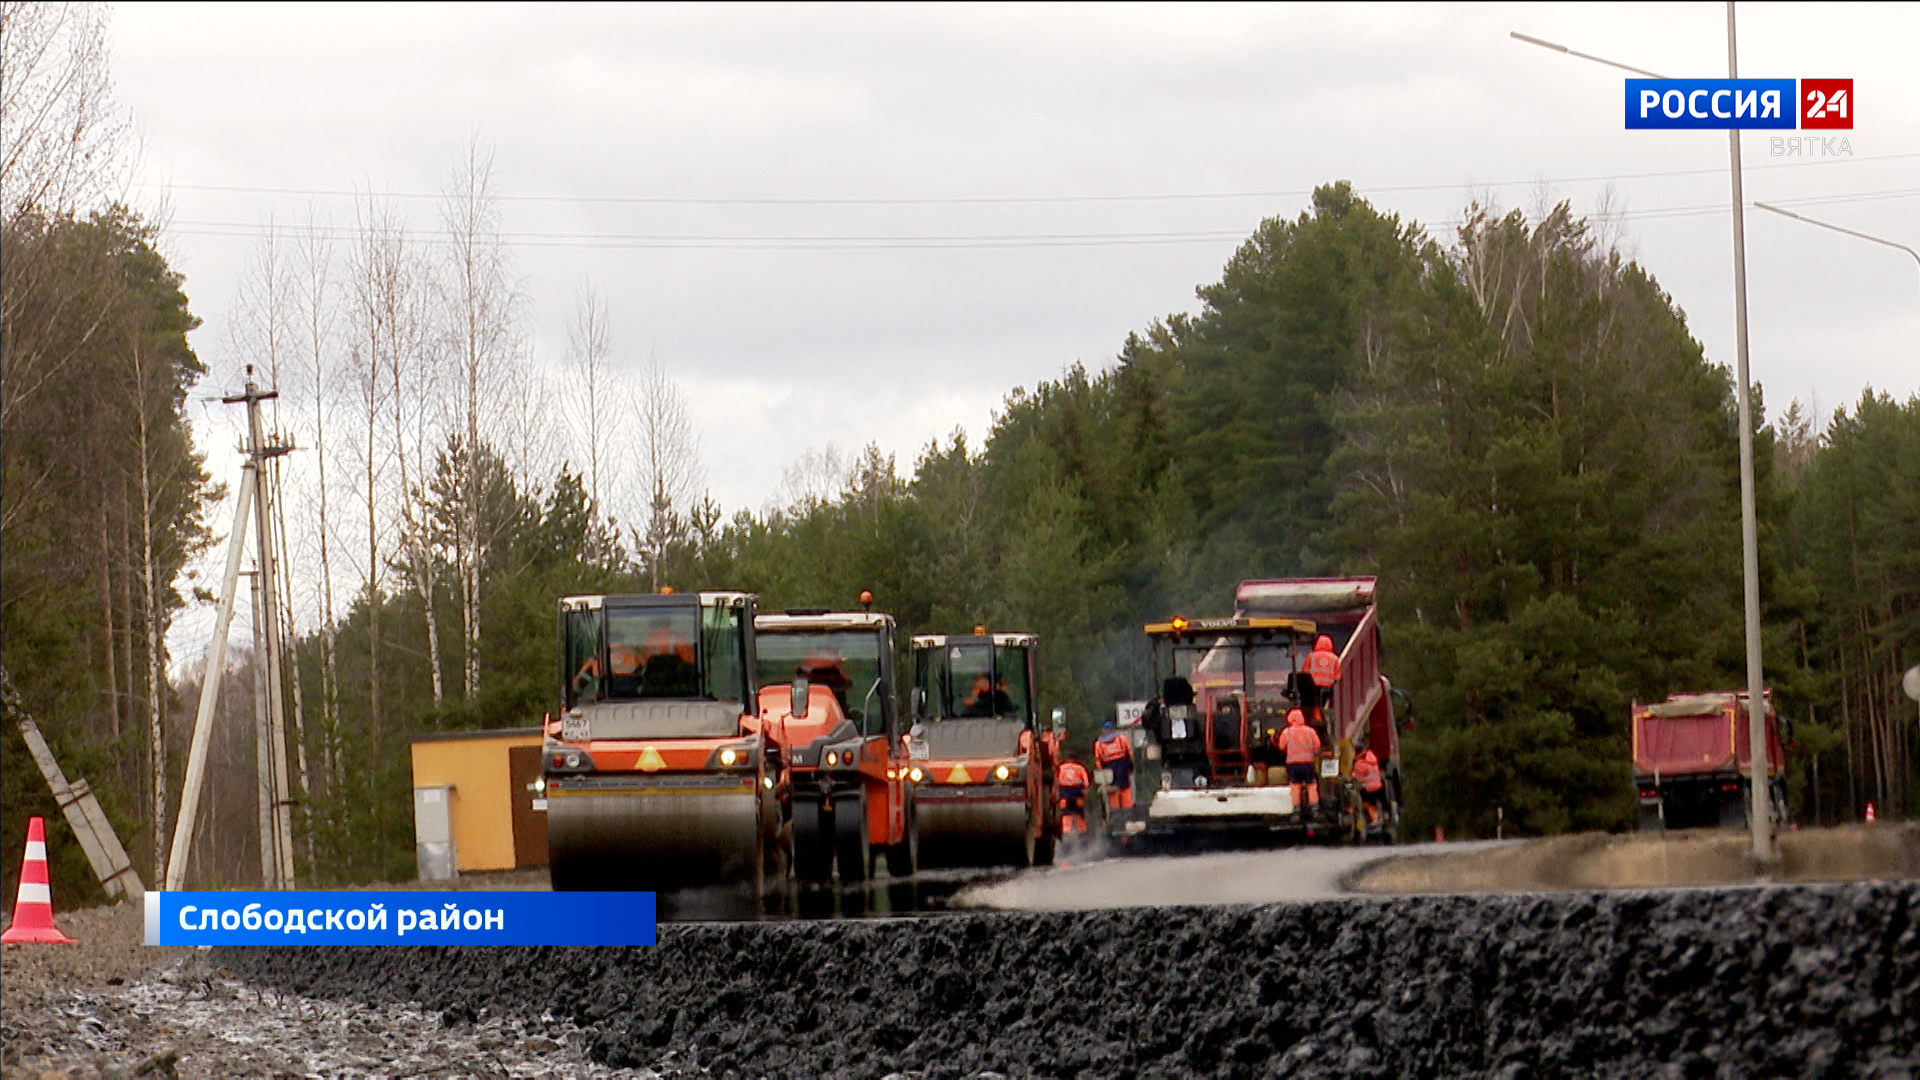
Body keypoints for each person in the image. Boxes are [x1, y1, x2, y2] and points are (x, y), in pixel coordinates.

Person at [1278, 708, 1322, 820]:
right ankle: (1315, 809)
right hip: (1308, 763)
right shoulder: (1310, 731)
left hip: (1293, 765)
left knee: (1295, 787)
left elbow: (1281, 746)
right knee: (1311, 786)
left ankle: (1296, 811)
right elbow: (1317, 746)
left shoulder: (1287, 732)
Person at [1093, 719, 1134, 810]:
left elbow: (1098, 761)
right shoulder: (1121, 738)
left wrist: (1102, 775)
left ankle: (1115, 815)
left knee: (1113, 793)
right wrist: (1130, 766)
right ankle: (1128, 813)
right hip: (1122, 767)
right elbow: (1129, 753)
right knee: (1125, 791)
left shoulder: (1098, 744)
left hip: (1108, 771)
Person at [1303, 635, 1341, 722]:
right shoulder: (1334, 659)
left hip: (1312, 688)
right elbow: (1337, 677)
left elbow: (1305, 671)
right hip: (1327, 689)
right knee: (1323, 706)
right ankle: (1322, 719)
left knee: (1313, 705)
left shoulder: (1311, 656)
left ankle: (1315, 717)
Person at [1057, 757, 1091, 834]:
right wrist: (1085, 792)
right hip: (1077, 793)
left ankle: (1066, 833)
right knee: (1079, 814)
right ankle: (1082, 833)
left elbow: (1057, 781)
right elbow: (1086, 783)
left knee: (1065, 814)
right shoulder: (1080, 768)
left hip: (1064, 794)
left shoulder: (1061, 767)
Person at [1352, 746, 1385, 825]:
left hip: (1369, 790)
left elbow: (1355, 776)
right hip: (1378, 787)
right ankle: (1379, 818)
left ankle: (1373, 821)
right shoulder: (1372, 759)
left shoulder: (1359, 763)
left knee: (1365, 804)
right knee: (1374, 805)